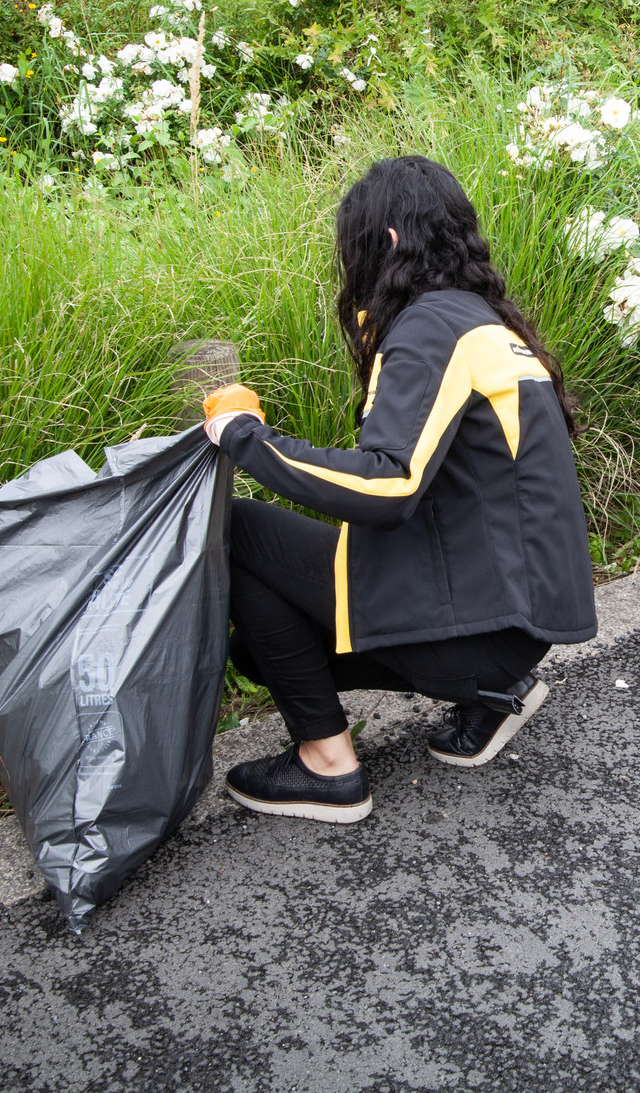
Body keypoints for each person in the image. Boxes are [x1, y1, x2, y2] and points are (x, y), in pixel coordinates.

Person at [200, 155, 597, 823]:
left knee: (240, 534)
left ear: (384, 243)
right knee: (260, 644)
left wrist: (245, 436)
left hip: (489, 633)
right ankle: (493, 694)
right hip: (520, 624)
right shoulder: (484, 324)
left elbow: (389, 485)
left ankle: (327, 767)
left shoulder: (428, 331)